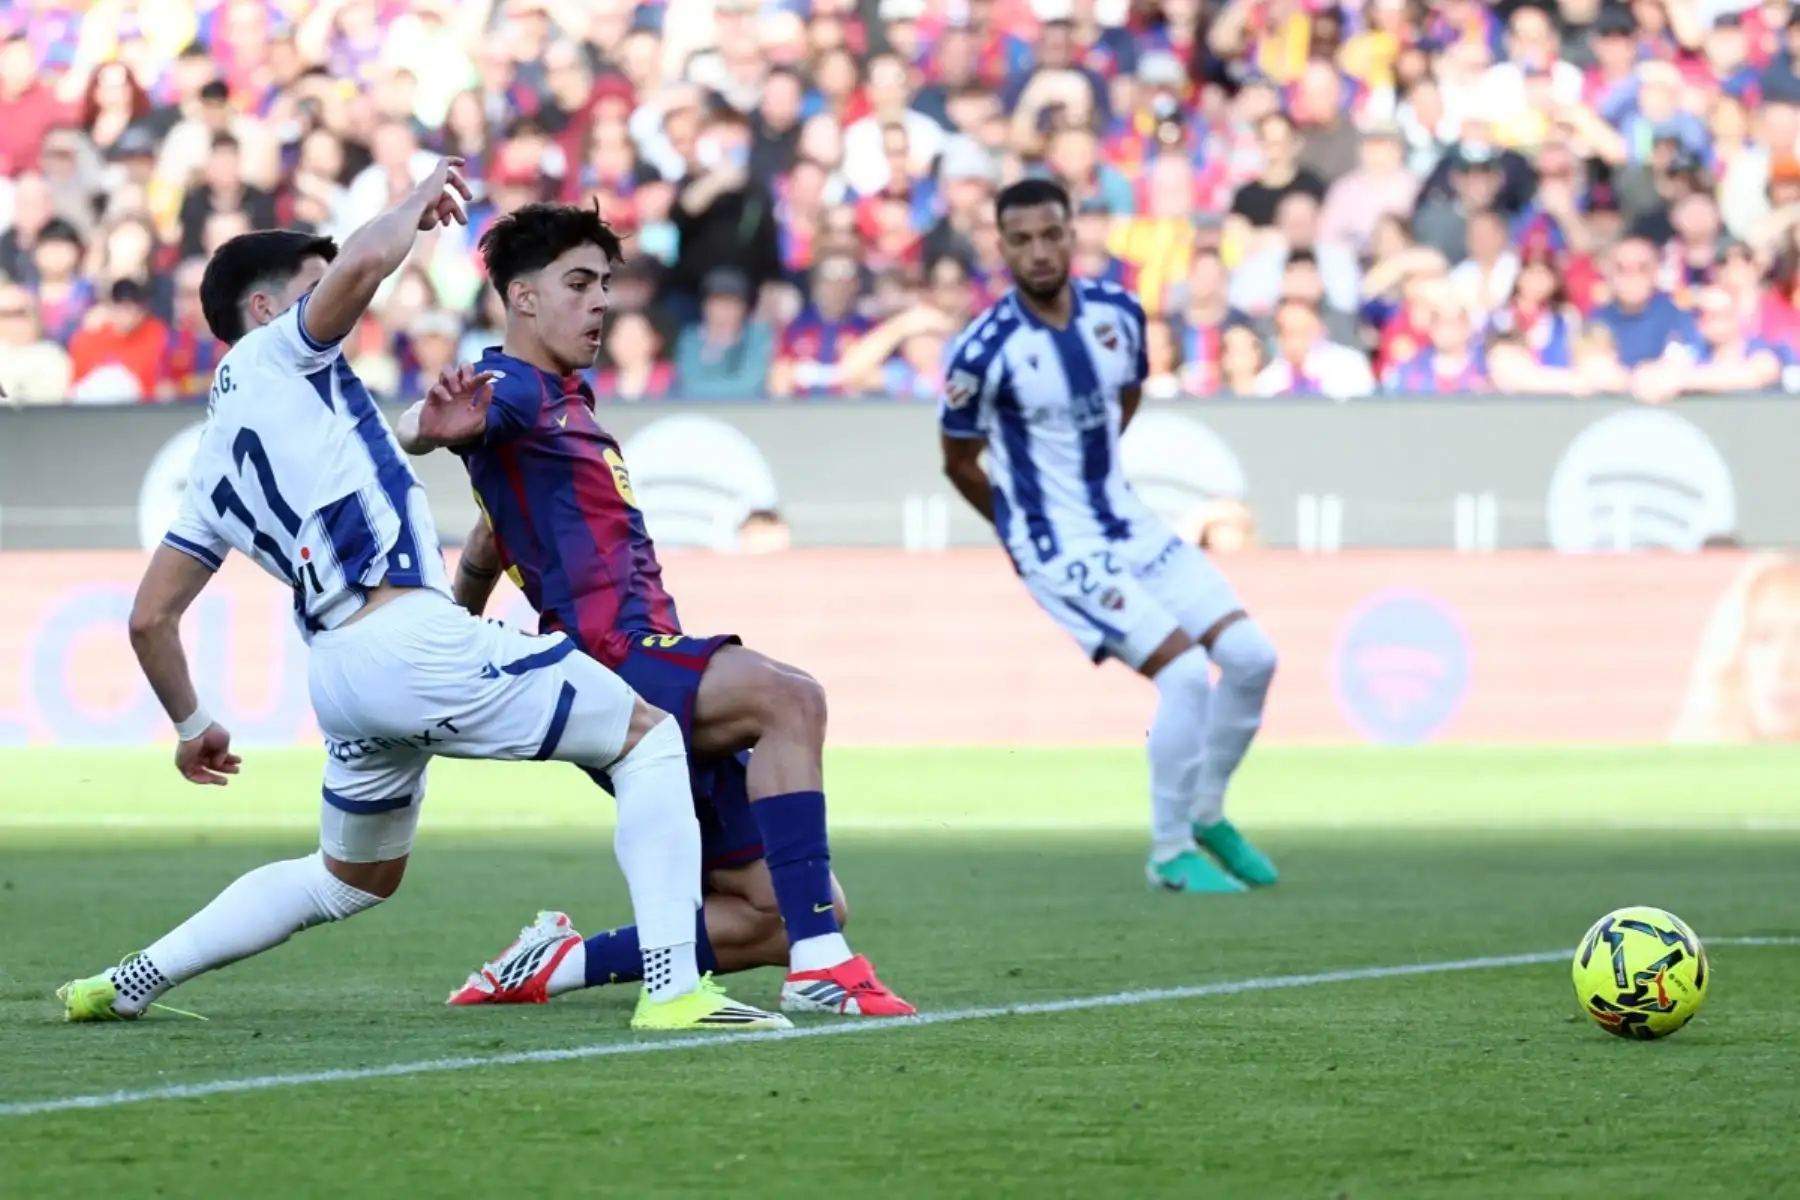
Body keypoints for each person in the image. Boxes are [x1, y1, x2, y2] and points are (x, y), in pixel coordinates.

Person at [56, 162, 785, 1034]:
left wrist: (189, 726)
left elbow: (150, 618)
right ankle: (673, 990)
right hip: (400, 631)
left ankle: (127, 980)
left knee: (345, 877)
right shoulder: (279, 352)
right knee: (648, 735)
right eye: (311, 290)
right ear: (262, 310)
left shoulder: (214, 457)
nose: (331, 303)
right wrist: (415, 202)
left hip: (340, 670)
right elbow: (367, 265)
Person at [395, 203, 913, 1017]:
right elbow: (452, 419)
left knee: (779, 910)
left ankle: (558, 963)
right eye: (578, 283)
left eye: (606, 283)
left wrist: (454, 628)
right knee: (789, 698)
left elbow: (493, 540)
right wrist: (423, 434)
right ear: (522, 297)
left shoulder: (567, 402)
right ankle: (822, 969)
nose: (601, 300)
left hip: (642, 659)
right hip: (615, 659)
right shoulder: (514, 385)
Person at [937, 178, 1280, 895]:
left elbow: (1128, 392)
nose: (1038, 251)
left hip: (1126, 517)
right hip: (1057, 545)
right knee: (1185, 674)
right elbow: (958, 460)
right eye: (1020, 239)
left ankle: (1208, 809)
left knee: (1251, 656)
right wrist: (1020, 527)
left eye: (1050, 234)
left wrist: (1095, 476)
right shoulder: (981, 351)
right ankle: (1169, 852)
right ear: (1001, 247)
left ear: (1073, 234)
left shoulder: (1119, 313)